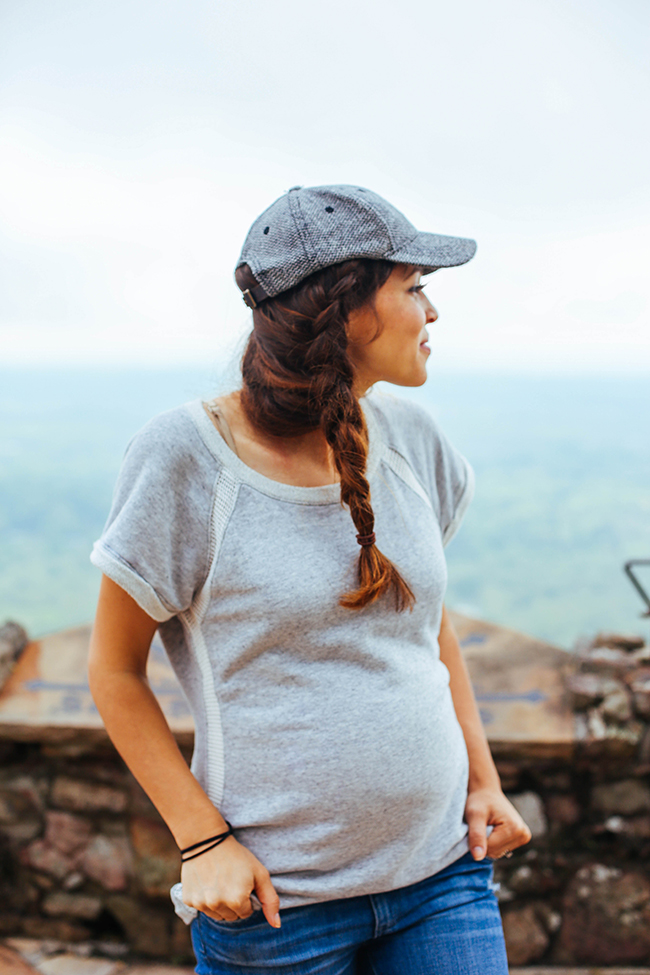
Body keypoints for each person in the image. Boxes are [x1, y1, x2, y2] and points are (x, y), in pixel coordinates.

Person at [88, 184, 531, 975]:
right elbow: (114, 671)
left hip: (443, 873)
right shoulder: (185, 456)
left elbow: (427, 627)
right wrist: (204, 841)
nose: (433, 313)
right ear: (350, 312)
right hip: (276, 907)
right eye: (415, 287)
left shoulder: (413, 438)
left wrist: (485, 781)